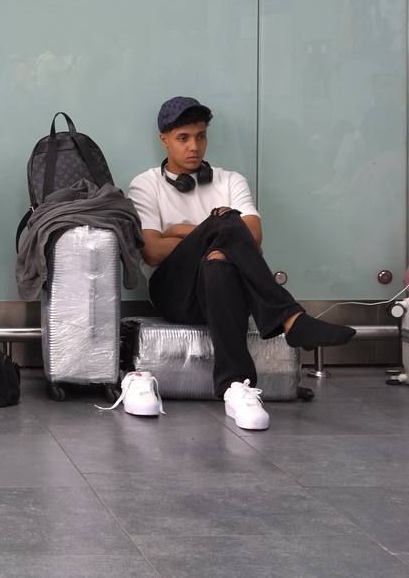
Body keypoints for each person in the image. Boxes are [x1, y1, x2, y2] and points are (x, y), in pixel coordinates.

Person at [128, 96, 355, 430]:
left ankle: (236, 388)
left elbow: (253, 240)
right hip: (173, 293)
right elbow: (152, 251)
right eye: (183, 138)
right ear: (164, 139)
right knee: (226, 222)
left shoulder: (230, 180)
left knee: (218, 263)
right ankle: (291, 318)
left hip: (222, 291)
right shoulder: (145, 184)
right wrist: (208, 230)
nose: (194, 146)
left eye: (201, 136)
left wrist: (180, 232)